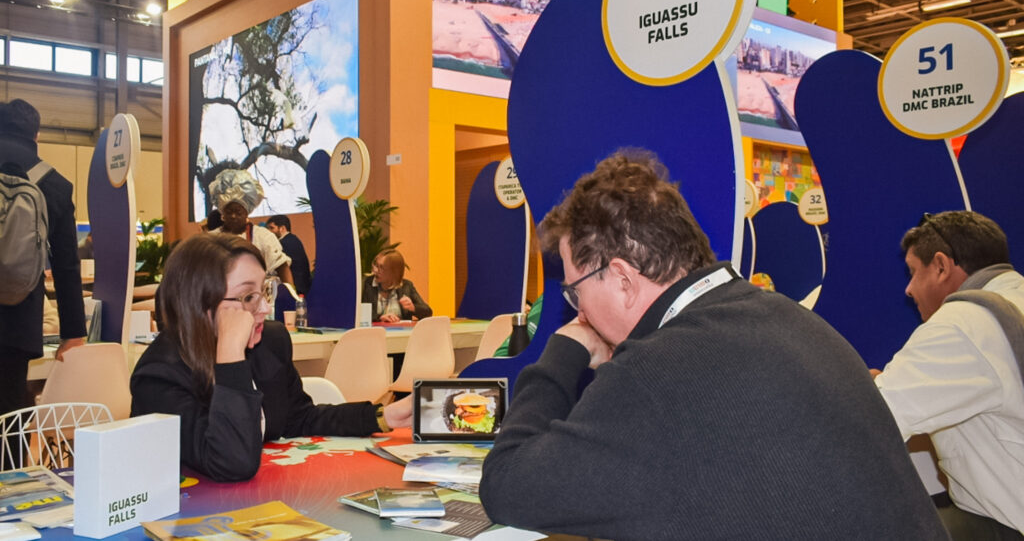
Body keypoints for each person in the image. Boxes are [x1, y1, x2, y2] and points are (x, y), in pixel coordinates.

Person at [479, 149, 947, 540]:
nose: (577, 308)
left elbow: (508, 486)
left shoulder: (657, 370)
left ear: (621, 279)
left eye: (575, 289)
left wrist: (566, 348)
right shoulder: (785, 318)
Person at [129, 232, 412, 482]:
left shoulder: (270, 342)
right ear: (200, 305)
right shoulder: (158, 376)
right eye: (248, 297)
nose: (265, 307)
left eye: (264, 290)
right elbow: (231, 461)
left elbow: (300, 418)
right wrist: (230, 355)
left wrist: (383, 415)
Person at [873, 211, 1024, 539]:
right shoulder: (1013, 300)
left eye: (913, 273)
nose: (909, 290)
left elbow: (874, 418)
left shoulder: (964, 323)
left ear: (941, 266)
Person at [0, 99, 86, 436]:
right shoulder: (55, 184)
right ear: (36, 135)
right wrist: (73, 332)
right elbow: (67, 265)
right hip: (19, 324)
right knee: (11, 415)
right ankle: (14, 484)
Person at [208, 168, 294, 289]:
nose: (233, 216)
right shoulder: (211, 239)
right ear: (222, 212)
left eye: (238, 212)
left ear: (247, 213)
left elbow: (282, 267)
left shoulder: (263, 237)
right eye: (229, 212)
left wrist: (291, 297)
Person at [362, 249, 431, 322]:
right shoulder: (366, 284)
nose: (375, 270)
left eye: (381, 267)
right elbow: (358, 314)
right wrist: (379, 318)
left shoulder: (406, 286)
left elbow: (428, 312)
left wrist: (413, 307)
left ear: (394, 272)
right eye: (376, 265)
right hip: (375, 332)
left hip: (401, 332)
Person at [266, 215, 312, 295]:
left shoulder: (283, 243)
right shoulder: (293, 239)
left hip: (296, 289)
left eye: (272, 228)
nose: (269, 232)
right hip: (303, 287)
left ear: (282, 228)